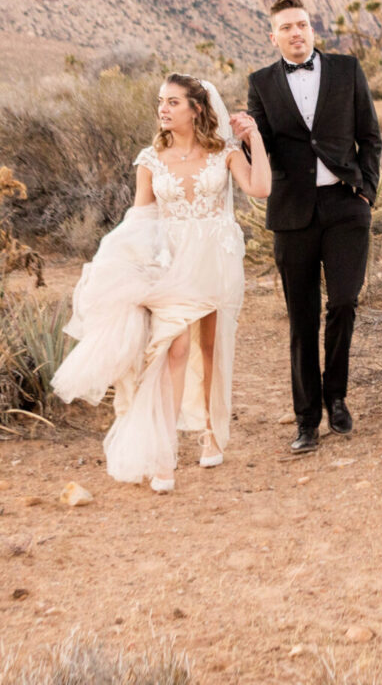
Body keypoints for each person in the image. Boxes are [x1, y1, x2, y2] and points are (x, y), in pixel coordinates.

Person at [52, 74, 270, 492]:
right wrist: (121, 264)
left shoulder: (223, 152)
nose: (163, 109)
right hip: (172, 266)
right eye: (160, 102)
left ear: (197, 109)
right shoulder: (150, 159)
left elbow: (260, 189)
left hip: (215, 263)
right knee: (173, 348)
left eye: (173, 102)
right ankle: (164, 453)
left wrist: (252, 139)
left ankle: (210, 431)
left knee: (211, 348)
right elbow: (140, 220)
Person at [239, 0, 382, 453]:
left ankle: (336, 396)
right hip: (292, 212)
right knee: (301, 319)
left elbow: (370, 136)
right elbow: (257, 149)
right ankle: (307, 420)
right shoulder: (260, 83)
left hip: (345, 206)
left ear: (312, 28)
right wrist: (245, 136)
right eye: (286, 27)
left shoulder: (346, 70)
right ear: (273, 36)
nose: (296, 33)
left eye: (301, 24)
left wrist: (368, 191)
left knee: (343, 303)